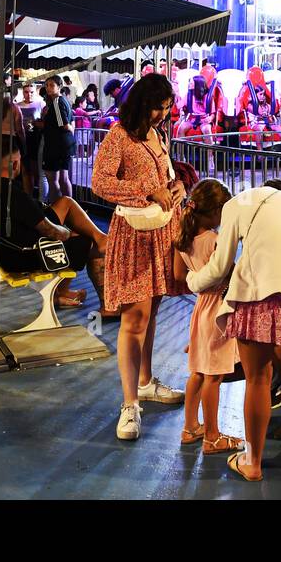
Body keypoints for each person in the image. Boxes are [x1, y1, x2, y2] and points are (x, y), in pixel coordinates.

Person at [177, 179, 281, 481]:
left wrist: (192, 281)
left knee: (258, 380)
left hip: (256, 300)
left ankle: (252, 463)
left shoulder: (236, 206)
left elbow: (220, 266)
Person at [91, 73, 193, 441]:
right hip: (134, 236)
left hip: (161, 233)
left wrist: (177, 186)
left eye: (166, 109)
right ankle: (129, 404)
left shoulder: (158, 136)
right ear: (140, 103)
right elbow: (100, 183)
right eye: (157, 107)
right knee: (133, 320)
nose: (162, 115)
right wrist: (147, 190)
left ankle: (146, 381)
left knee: (150, 315)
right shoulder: (118, 136)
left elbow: (163, 179)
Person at [0, 134, 106, 310]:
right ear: (15, 164)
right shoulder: (14, 195)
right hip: (23, 256)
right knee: (88, 243)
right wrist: (70, 233)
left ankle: (63, 289)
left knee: (66, 203)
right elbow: (52, 233)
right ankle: (107, 306)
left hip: (3, 250)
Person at [175, 178, 243, 454]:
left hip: (201, 307)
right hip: (219, 308)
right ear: (214, 212)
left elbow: (181, 277)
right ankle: (212, 436)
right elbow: (229, 274)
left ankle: (190, 427)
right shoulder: (214, 241)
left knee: (198, 372)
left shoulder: (183, 238)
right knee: (214, 376)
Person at [39, 76, 75, 202]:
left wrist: (41, 124)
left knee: (52, 178)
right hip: (64, 144)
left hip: (56, 145)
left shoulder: (56, 102)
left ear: (59, 87)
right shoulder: (64, 100)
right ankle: (70, 208)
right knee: (63, 178)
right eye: (47, 85)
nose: (48, 88)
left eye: (52, 85)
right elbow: (71, 121)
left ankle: (58, 209)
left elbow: (63, 124)